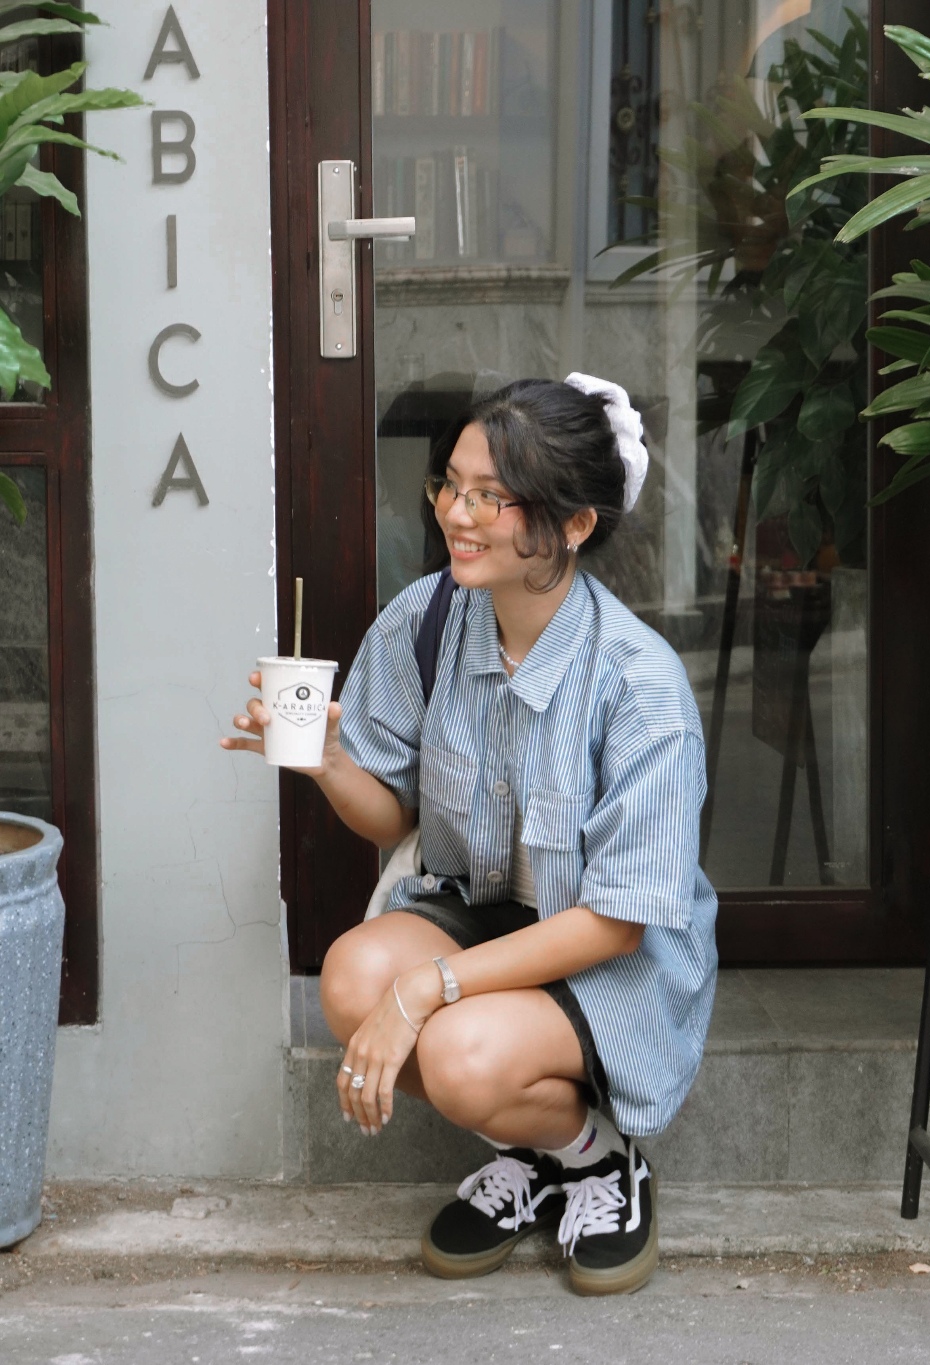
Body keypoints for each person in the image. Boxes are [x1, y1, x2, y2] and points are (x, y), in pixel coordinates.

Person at [221, 374, 718, 1296]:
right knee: (351, 982)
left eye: (493, 497)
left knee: (454, 1051)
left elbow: (617, 923)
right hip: (477, 909)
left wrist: (429, 988)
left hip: (607, 955)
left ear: (574, 525)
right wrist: (329, 761)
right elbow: (395, 817)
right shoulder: (427, 620)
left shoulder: (639, 688)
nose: (458, 513)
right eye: (451, 484)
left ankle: (604, 1162)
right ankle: (540, 1155)